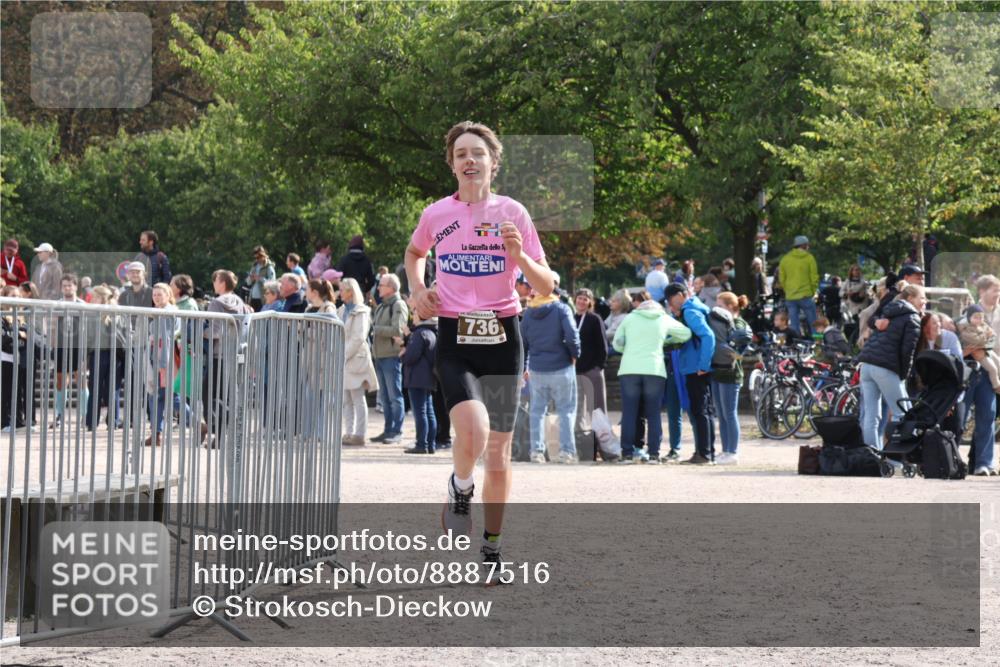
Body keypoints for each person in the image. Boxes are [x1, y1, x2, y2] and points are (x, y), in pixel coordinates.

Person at [405, 120, 553, 576]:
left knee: (500, 454)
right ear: (452, 165)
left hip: (504, 336)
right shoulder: (436, 214)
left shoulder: (513, 213)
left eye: (478, 153)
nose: (470, 160)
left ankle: (492, 549)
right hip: (455, 335)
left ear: (493, 162)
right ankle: (461, 485)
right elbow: (415, 253)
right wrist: (417, 290)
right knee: (472, 429)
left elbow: (546, 285)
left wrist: (520, 257)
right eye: (461, 154)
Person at [613, 292, 691, 464]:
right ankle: (654, 454)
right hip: (654, 369)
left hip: (629, 368)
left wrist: (627, 349)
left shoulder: (629, 318)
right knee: (653, 413)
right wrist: (665, 341)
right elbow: (686, 334)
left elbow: (616, 344)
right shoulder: (663, 318)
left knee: (629, 413)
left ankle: (627, 454)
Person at [856, 284, 925, 450]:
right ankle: (896, 455)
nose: (925, 301)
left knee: (871, 416)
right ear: (910, 298)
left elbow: (870, 318)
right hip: (885, 367)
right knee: (901, 413)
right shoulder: (912, 317)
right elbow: (908, 351)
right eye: (922, 297)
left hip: (866, 365)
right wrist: (903, 376)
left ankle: (870, 454)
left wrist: (875, 323)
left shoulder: (889, 310)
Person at [521, 284, 580, 464]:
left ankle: (536, 452)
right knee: (566, 410)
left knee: (537, 411)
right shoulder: (562, 309)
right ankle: (566, 452)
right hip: (562, 365)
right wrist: (575, 354)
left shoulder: (528, 313)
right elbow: (572, 335)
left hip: (537, 368)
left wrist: (524, 366)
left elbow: (523, 343)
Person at [666, 282, 717, 464]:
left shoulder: (690, 312)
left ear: (680, 295)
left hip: (696, 368)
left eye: (671, 299)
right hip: (698, 366)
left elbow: (708, 336)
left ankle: (703, 454)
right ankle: (707, 452)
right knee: (705, 410)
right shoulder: (696, 307)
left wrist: (703, 365)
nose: (670, 304)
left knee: (699, 410)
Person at [203, 270, 253, 447]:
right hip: (235, 352)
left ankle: (219, 433)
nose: (214, 283)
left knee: (210, 395)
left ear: (222, 282)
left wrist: (200, 332)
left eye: (215, 280)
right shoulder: (240, 301)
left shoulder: (216, 303)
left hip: (219, 354)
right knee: (229, 396)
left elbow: (216, 331)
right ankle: (226, 435)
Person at [708, 292, 752, 465]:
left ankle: (732, 452)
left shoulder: (739, 323)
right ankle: (725, 450)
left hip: (731, 374)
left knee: (730, 414)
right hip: (717, 371)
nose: (716, 309)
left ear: (731, 306)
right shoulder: (720, 321)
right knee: (721, 415)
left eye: (720, 305)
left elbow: (739, 350)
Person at [338, 278, 378, 447]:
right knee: (346, 399)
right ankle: (348, 432)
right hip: (344, 358)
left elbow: (358, 337)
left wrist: (343, 355)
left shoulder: (362, 311)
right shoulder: (341, 310)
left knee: (358, 398)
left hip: (355, 359)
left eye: (342, 289)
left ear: (351, 292)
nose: (340, 292)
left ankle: (360, 434)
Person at [370, 273, 408, 444]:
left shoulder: (398, 305)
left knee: (394, 396)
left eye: (382, 285)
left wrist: (376, 329)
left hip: (391, 356)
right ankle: (388, 430)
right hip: (380, 356)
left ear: (391, 288)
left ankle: (397, 431)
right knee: (385, 398)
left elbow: (398, 330)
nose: (378, 287)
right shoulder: (382, 306)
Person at [83, 286, 125, 431]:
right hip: (115, 355)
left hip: (99, 354)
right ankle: (113, 421)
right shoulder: (118, 313)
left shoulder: (92, 314)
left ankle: (91, 422)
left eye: (94, 296)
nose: (92, 299)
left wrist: (85, 356)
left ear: (101, 298)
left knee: (95, 389)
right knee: (113, 390)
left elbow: (88, 338)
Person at [50, 274, 88, 428]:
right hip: (61, 346)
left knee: (81, 380)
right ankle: (59, 415)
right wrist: (52, 347)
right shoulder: (56, 304)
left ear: (75, 287)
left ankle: (85, 415)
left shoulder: (83, 304)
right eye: (64, 285)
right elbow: (52, 327)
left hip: (79, 346)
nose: (67, 288)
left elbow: (88, 329)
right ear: (61, 288)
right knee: (60, 381)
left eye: (70, 285)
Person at [401, 309, 439, 454]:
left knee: (420, 412)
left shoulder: (419, 333)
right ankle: (431, 444)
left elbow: (411, 356)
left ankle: (421, 444)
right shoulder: (432, 332)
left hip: (416, 377)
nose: (413, 315)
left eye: (415, 313)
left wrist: (403, 355)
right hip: (428, 377)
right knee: (429, 411)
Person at [572, 288, 608, 440]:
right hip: (575, 370)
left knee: (597, 407)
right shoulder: (571, 318)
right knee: (577, 406)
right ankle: (579, 439)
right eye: (579, 298)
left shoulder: (594, 319)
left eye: (585, 299)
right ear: (575, 299)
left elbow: (602, 344)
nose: (581, 301)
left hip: (592, 369)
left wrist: (598, 366)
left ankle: (601, 440)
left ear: (590, 302)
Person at [778, 235, 819, 337]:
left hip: (791, 297)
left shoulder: (785, 259)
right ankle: (818, 343)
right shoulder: (809, 258)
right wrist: (813, 291)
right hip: (806, 295)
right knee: (814, 324)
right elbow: (814, 277)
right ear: (804, 245)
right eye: (807, 245)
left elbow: (782, 279)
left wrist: (787, 290)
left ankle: (795, 344)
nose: (808, 247)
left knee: (794, 324)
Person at [245, 246, 276, 312]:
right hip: (252, 298)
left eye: (258, 257)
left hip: (263, 299)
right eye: (255, 258)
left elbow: (272, 283)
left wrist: (260, 279)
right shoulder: (254, 266)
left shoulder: (269, 267)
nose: (257, 259)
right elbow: (248, 283)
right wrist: (250, 278)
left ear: (263, 256)